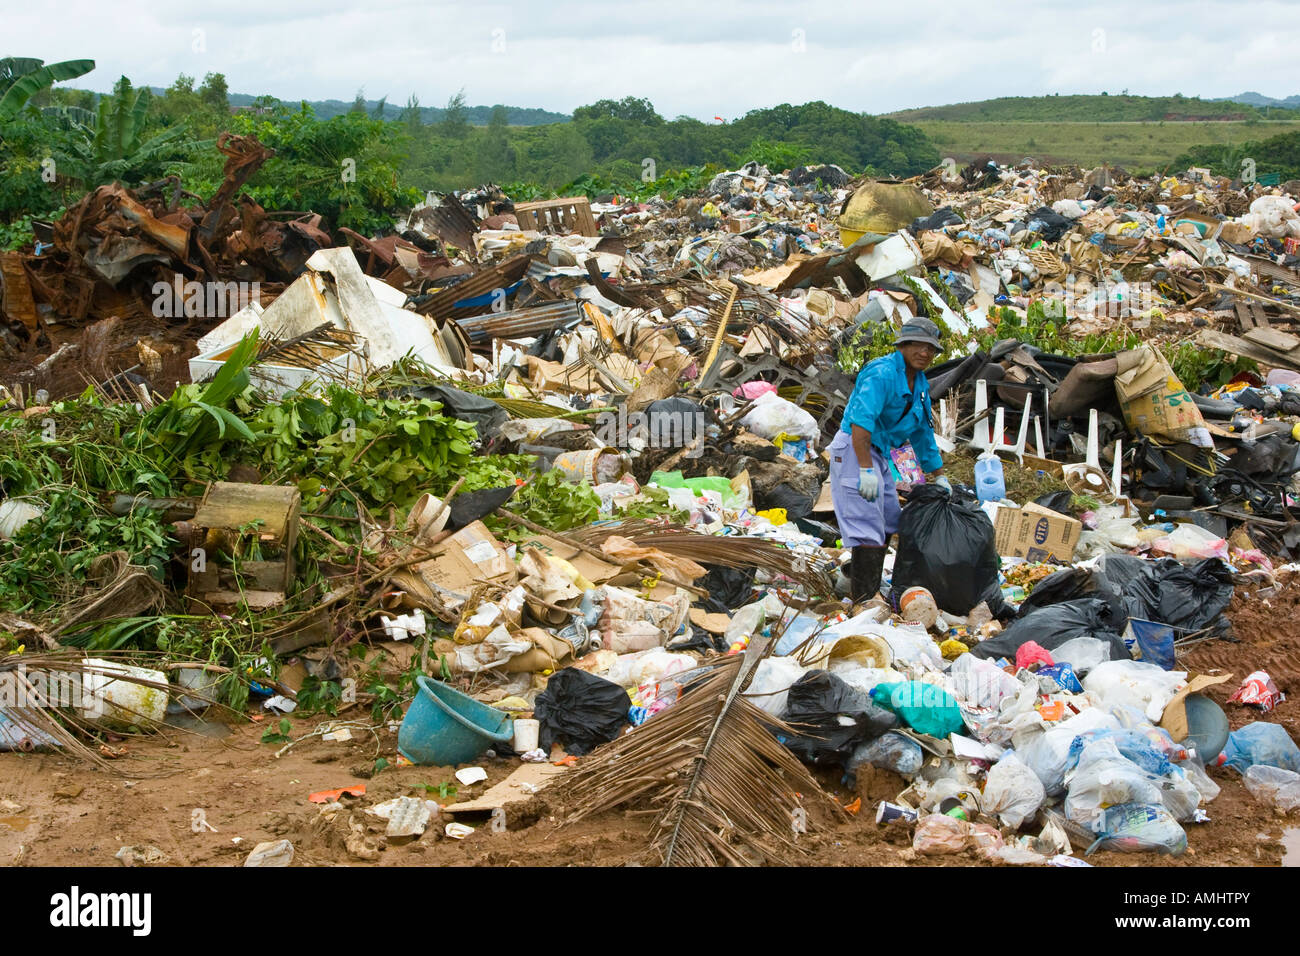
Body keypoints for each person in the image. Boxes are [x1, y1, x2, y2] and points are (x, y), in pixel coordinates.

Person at [830, 317, 951, 602]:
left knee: (887, 523)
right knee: (866, 525)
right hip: (855, 451)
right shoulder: (882, 374)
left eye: (930, 348)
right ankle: (863, 602)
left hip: (880, 453)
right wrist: (865, 470)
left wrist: (940, 476)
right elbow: (861, 424)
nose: (925, 353)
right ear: (903, 345)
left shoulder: (919, 383)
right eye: (918, 346)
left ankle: (866, 589)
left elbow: (922, 433)